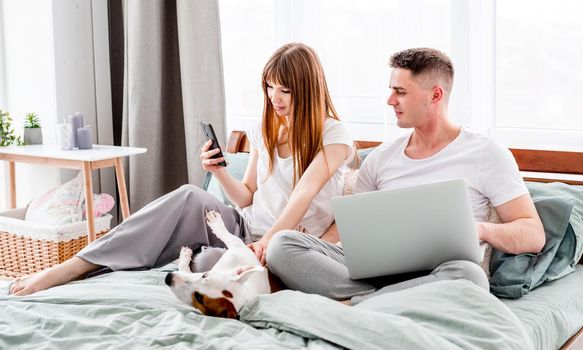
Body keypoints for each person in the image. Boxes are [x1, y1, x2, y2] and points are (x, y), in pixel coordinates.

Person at [10, 42, 354, 296]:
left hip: (289, 243)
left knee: (205, 266)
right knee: (190, 196)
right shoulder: (266, 128)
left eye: (285, 90)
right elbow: (247, 196)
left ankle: (250, 272)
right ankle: (77, 265)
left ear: (307, 90)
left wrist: (268, 240)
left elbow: (305, 191)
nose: (274, 98)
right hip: (244, 230)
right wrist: (218, 172)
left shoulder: (333, 134)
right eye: (269, 87)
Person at [265, 48, 546, 304]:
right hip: (370, 271)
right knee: (282, 244)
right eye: (391, 90)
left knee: (470, 277)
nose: (390, 100)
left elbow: (533, 234)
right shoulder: (381, 157)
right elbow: (348, 227)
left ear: (435, 95)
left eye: (400, 92)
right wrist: (317, 251)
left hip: (437, 272)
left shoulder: (486, 153)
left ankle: (357, 304)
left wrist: (480, 229)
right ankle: (377, 302)